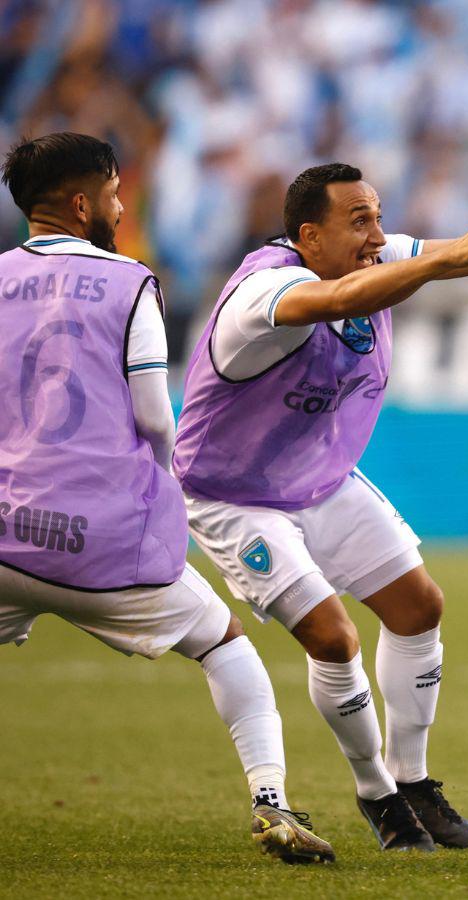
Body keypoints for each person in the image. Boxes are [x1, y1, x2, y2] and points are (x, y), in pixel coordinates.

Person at [172, 163, 468, 851]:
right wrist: (447, 258)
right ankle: (377, 793)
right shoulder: (262, 292)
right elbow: (336, 302)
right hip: (234, 495)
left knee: (418, 606)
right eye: (358, 221)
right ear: (308, 236)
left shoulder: (365, 255)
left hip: (320, 478)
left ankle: (415, 780)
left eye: (376, 217)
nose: (376, 234)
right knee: (334, 638)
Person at [0, 132, 333, 864]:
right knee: (224, 646)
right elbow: (154, 416)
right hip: (104, 541)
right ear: (84, 201)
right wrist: (157, 488)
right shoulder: (129, 283)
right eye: (117, 193)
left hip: (6, 531)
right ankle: (272, 800)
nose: (122, 206)